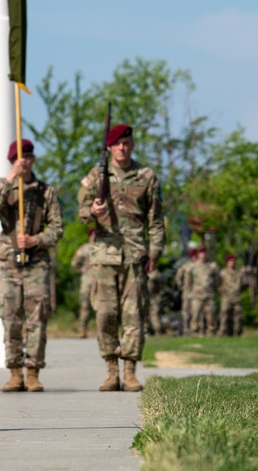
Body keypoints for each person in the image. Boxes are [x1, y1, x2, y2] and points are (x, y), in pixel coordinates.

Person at [77, 123, 165, 392]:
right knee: (105, 314)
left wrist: (155, 251)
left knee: (134, 316)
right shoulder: (95, 176)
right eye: (117, 144)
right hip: (104, 257)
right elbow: (80, 213)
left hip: (135, 257)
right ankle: (111, 370)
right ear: (109, 148)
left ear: (133, 145)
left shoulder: (146, 177)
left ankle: (130, 372)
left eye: (126, 143)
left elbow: (156, 220)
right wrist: (93, 209)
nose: (122, 148)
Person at [0, 138, 63, 392]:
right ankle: (15, 371)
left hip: (36, 262)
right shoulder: (2, 187)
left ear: (34, 159)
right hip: (9, 261)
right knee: (10, 317)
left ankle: (33, 372)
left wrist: (35, 240)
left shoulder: (46, 192)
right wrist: (11, 177)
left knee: (37, 318)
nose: (24, 162)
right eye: (20, 158)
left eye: (28, 157)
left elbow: (56, 229)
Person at [188, 245, 219, 337]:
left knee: (211, 316)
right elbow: (189, 281)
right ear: (198, 254)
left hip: (209, 295)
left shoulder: (212, 266)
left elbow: (218, 279)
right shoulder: (193, 267)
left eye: (204, 252)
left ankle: (212, 333)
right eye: (201, 253)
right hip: (197, 295)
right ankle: (195, 332)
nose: (203, 255)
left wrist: (213, 287)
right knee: (195, 315)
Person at [71, 229, 96, 338]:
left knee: (103, 307)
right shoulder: (84, 249)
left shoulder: (103, 249)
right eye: (93, 235)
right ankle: (82, 330)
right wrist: (81, 271)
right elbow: (74, 263)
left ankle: (103, 331)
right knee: (85, 307)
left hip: (101, 282)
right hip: (87, 281)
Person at [217, 254, 246, 337]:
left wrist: (239, 290)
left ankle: (237, 333)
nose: (232, 263)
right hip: (226, 298)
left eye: (233, 261)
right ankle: (223, 332)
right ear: (227, 262)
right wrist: (223, 291)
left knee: (238, 316)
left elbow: (243, 284)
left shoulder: (239, 273)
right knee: (224, 315)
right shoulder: (223, 273)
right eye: (230, 261)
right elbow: (218, 284)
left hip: (236, 297)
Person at [175, 248, 197, 336]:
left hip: (196, 293)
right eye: (193, 256)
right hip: (187, 294)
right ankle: (185, 330)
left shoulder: (199, 266)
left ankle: (194, 330)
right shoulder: (185, 266)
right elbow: (178, 278)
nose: (195, 257)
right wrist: (182, 287)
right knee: (186, 313)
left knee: (195, 313)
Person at [145, 261, 164, 336]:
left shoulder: (156, 274)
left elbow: (160, 283)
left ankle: (157, 332)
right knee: (144, 315)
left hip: (153, 298)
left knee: (154, 314)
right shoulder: (143, 273)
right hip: (144, 297)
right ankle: (146, 331)